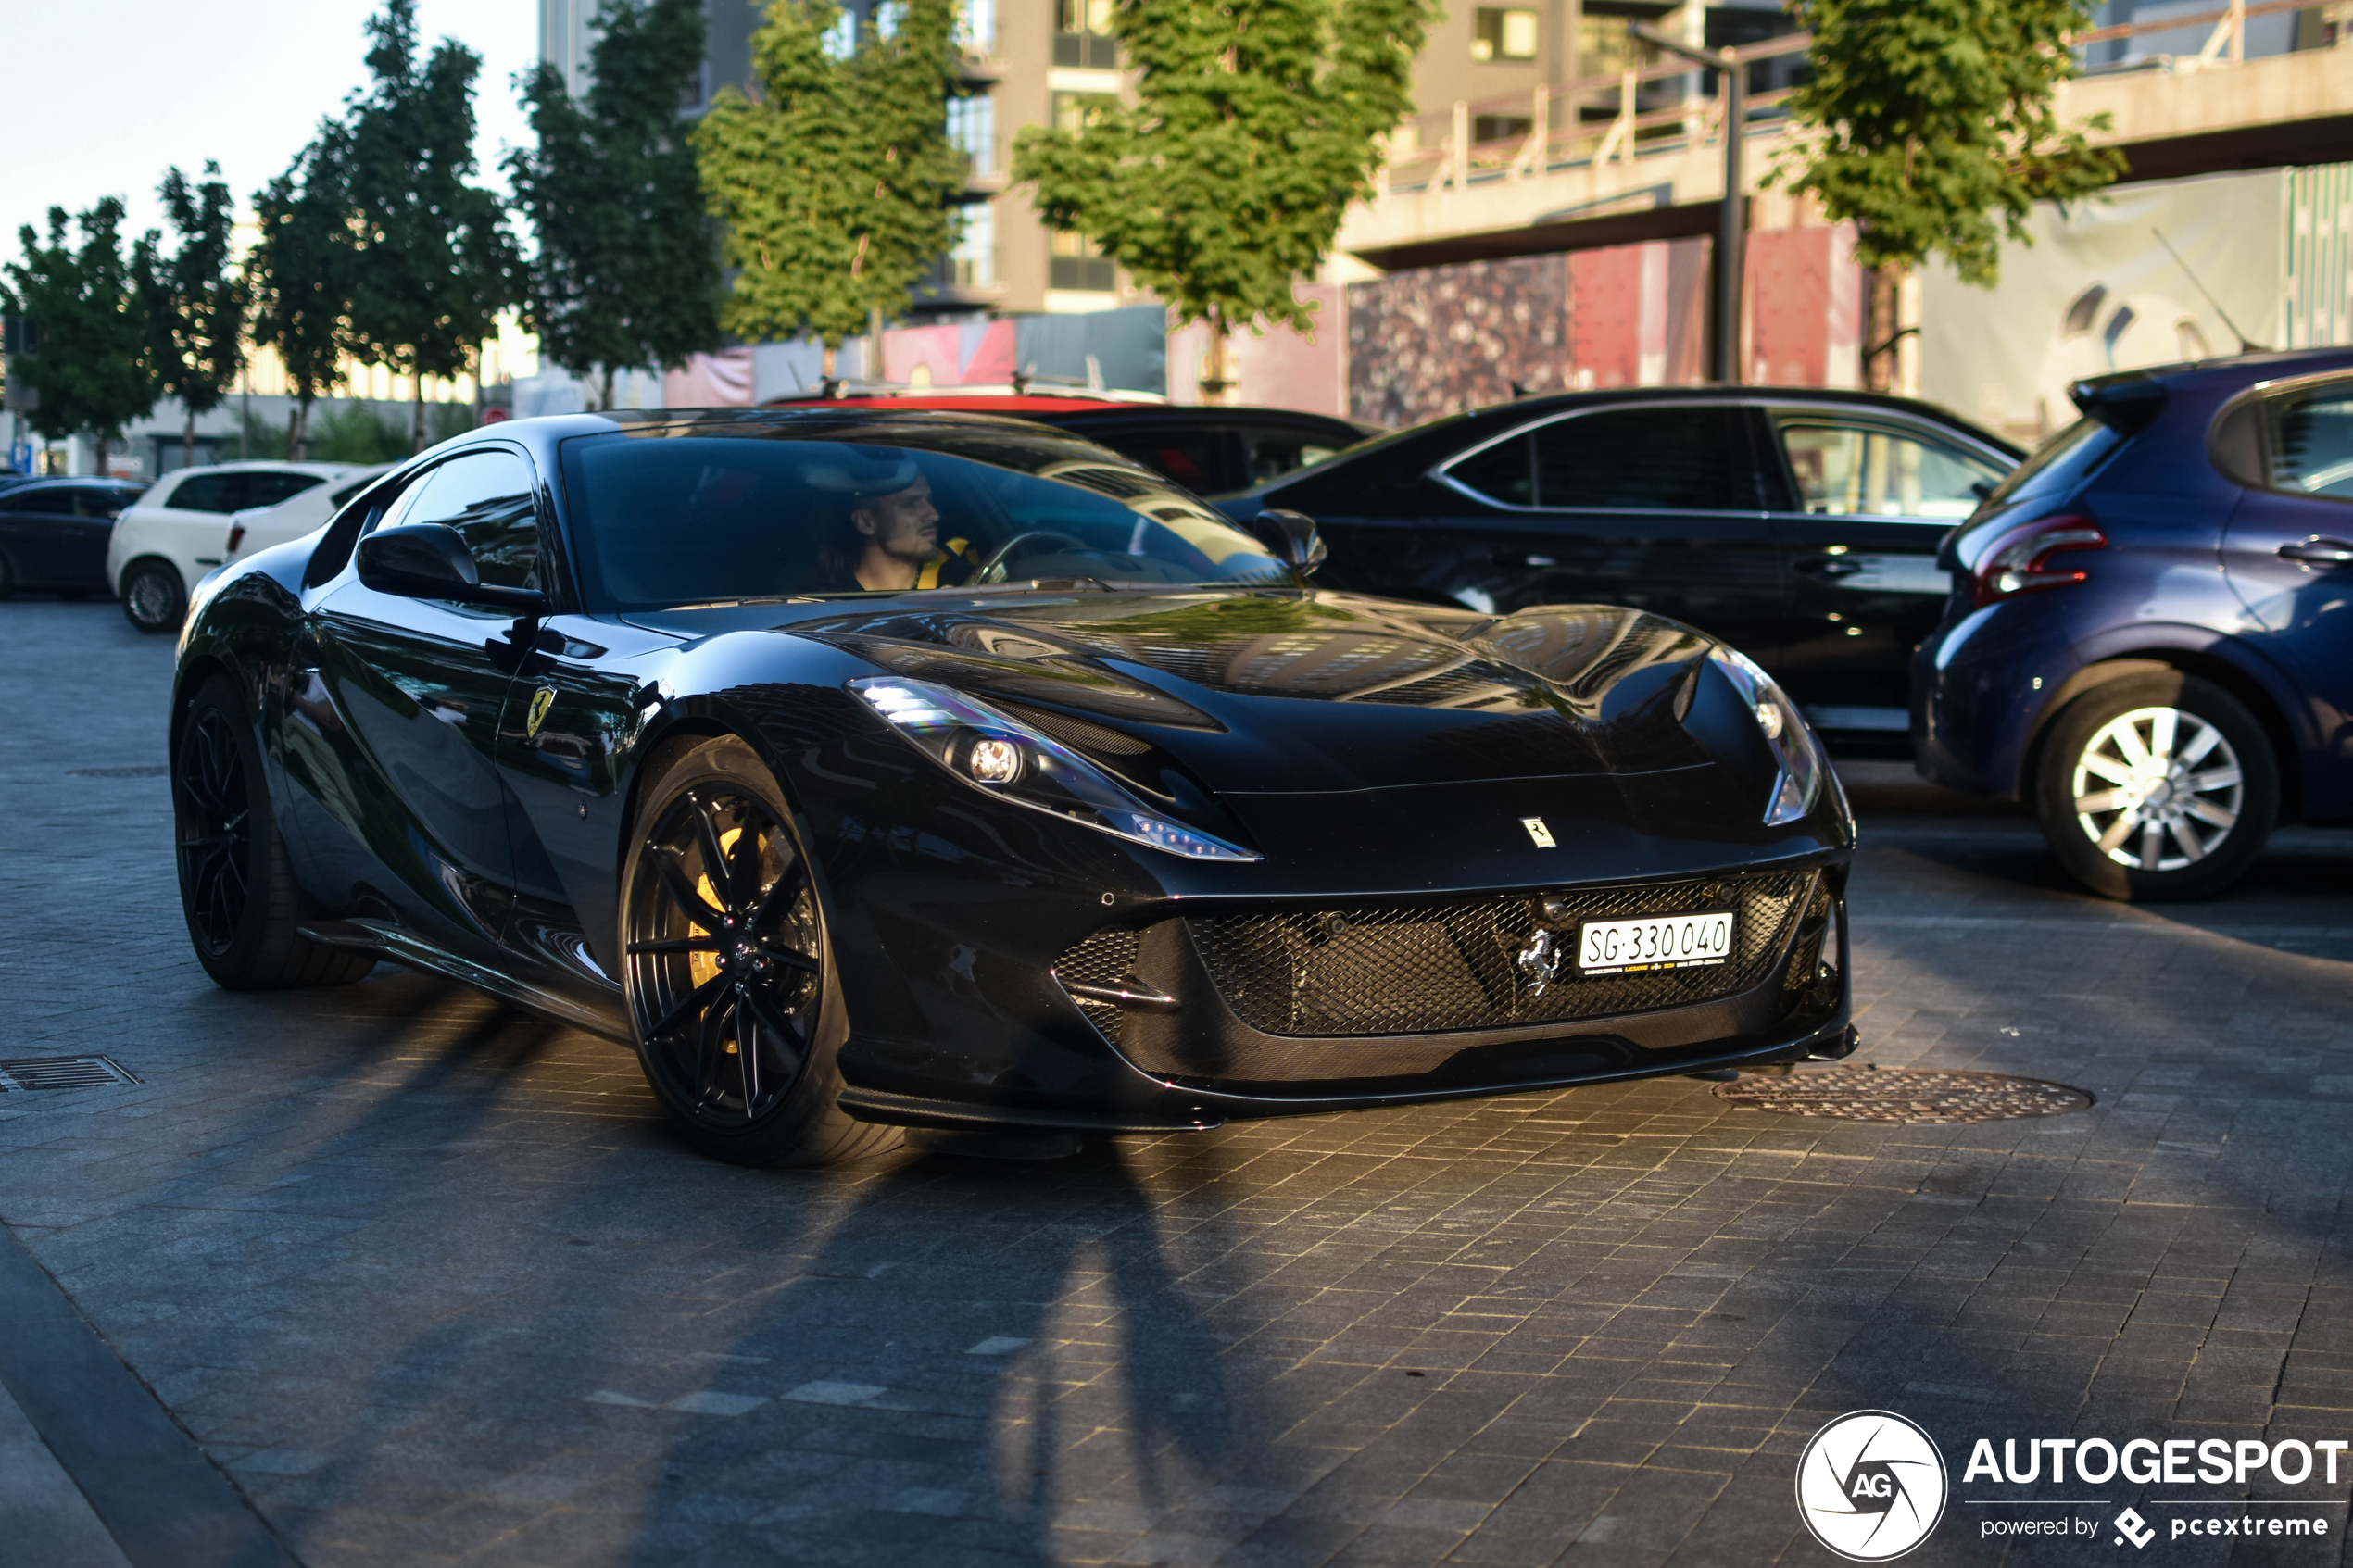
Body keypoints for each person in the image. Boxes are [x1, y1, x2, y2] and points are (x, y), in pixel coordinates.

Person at [814, 464, 977, 592]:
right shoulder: (826, 604)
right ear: (865, 522)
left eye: (929, 500)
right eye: (910, 504)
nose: (934, 515)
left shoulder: (965, 582)